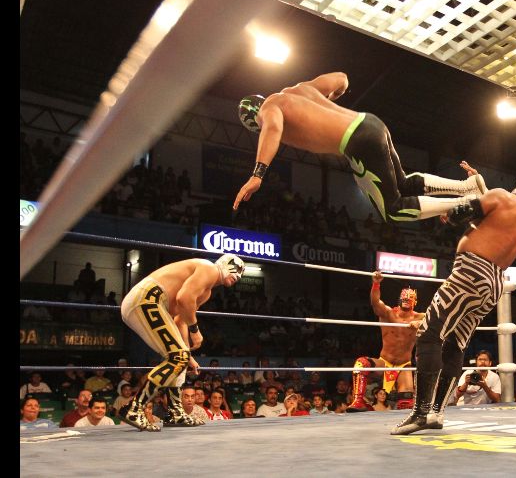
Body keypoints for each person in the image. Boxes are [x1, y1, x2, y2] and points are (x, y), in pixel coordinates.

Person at [391, 174, 516, 435]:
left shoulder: (503, 196)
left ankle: (421, 413)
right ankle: (437, 413)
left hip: (470, 271)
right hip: (493, 283)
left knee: (428, 333)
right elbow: (491, 219)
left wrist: (452, 211)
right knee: (456, 342)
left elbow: (461, 212)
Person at [233, 72, 487, 222]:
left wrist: (257, 175)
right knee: (404, 183)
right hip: (370, 123)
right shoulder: (300, 90)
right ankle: (466, 186)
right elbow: (342, 78)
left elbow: (273, 128)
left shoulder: (269, 108)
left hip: (357, 143)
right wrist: (326, 104)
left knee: (392, 210)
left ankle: (467, 202)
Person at [118, 254, 245, 431]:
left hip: (153, 304)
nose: (238, 274)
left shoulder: (206, 292)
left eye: (242, 273)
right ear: (225, 263)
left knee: (180, 359)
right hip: (147, 299)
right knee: (178, 357)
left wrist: (188, 355)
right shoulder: (209, 268)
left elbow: (180, 320)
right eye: (237, 268)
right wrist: (196, 331)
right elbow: (184, 298)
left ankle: (175, 412)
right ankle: (134, 408)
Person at [348, 270, 425, 412]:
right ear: (400, 299)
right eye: (404, 298)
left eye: (410, 298)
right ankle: (358, 402)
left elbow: (436, 320)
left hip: (404, 366)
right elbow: (375, 302)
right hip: (385, 362)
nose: (407, 300)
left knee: (407, 400)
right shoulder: (388, 313)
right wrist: (376, 284)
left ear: (415, 301)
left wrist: (421, 324)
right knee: (361, 363)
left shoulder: (420, 317)